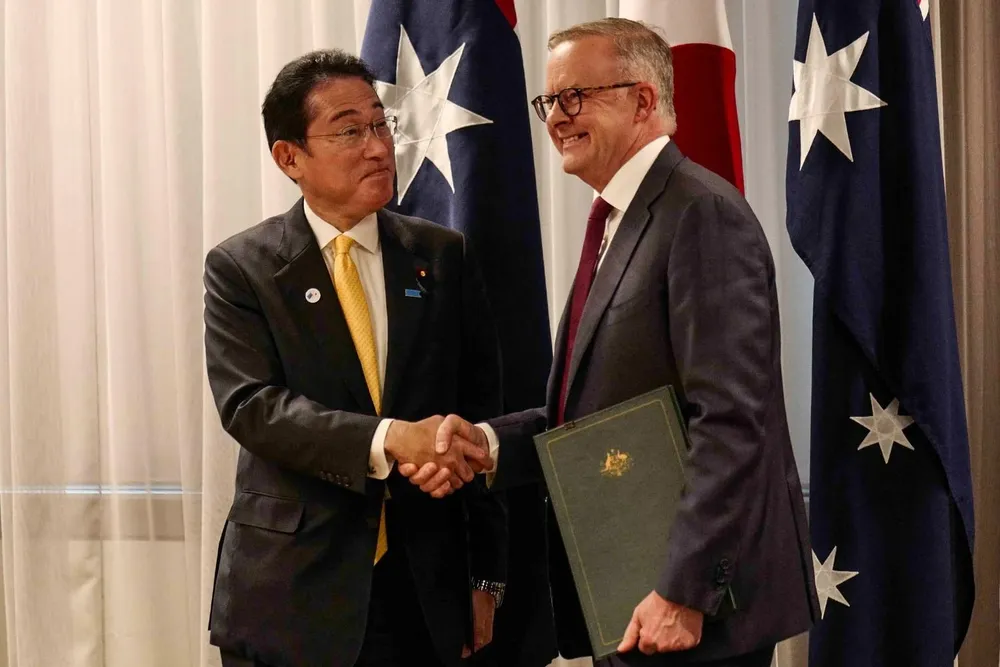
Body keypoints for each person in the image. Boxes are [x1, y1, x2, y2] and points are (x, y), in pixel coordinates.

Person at [404, 18, 820, 667]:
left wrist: (683, 591)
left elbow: (732, 419)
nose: (556, 118)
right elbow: (597, 410)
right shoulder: (616, 221)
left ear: (643, 101)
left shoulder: (701, 214)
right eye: (549, 101)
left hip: (693, 611)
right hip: (628, 591)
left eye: (576, 96)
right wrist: (486, 444)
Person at [203, 49, 507, 667]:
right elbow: (253, 408)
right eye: (348, 131)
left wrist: (487, 576)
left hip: (424, 588)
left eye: (379, 124)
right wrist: (390, 439)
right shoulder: (243, 268)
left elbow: (482, 417)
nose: (377, 147)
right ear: (289, 157)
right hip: (293, 589)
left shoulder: (443, 255)